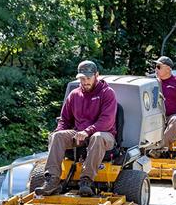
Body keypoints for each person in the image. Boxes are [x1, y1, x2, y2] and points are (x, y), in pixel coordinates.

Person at [35, 60, 117, 197]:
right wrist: (57, 132)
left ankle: (86, 181)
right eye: (82, 79)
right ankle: (52, 180)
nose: (85, 82)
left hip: (104, 135)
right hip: (80, 134)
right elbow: (64, 120)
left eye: (88, 78)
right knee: (57, 136)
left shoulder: (107, 93)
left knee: (97, 137)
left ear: (97, 75)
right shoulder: (74, 95)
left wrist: (87, 131)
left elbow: (106, 122)